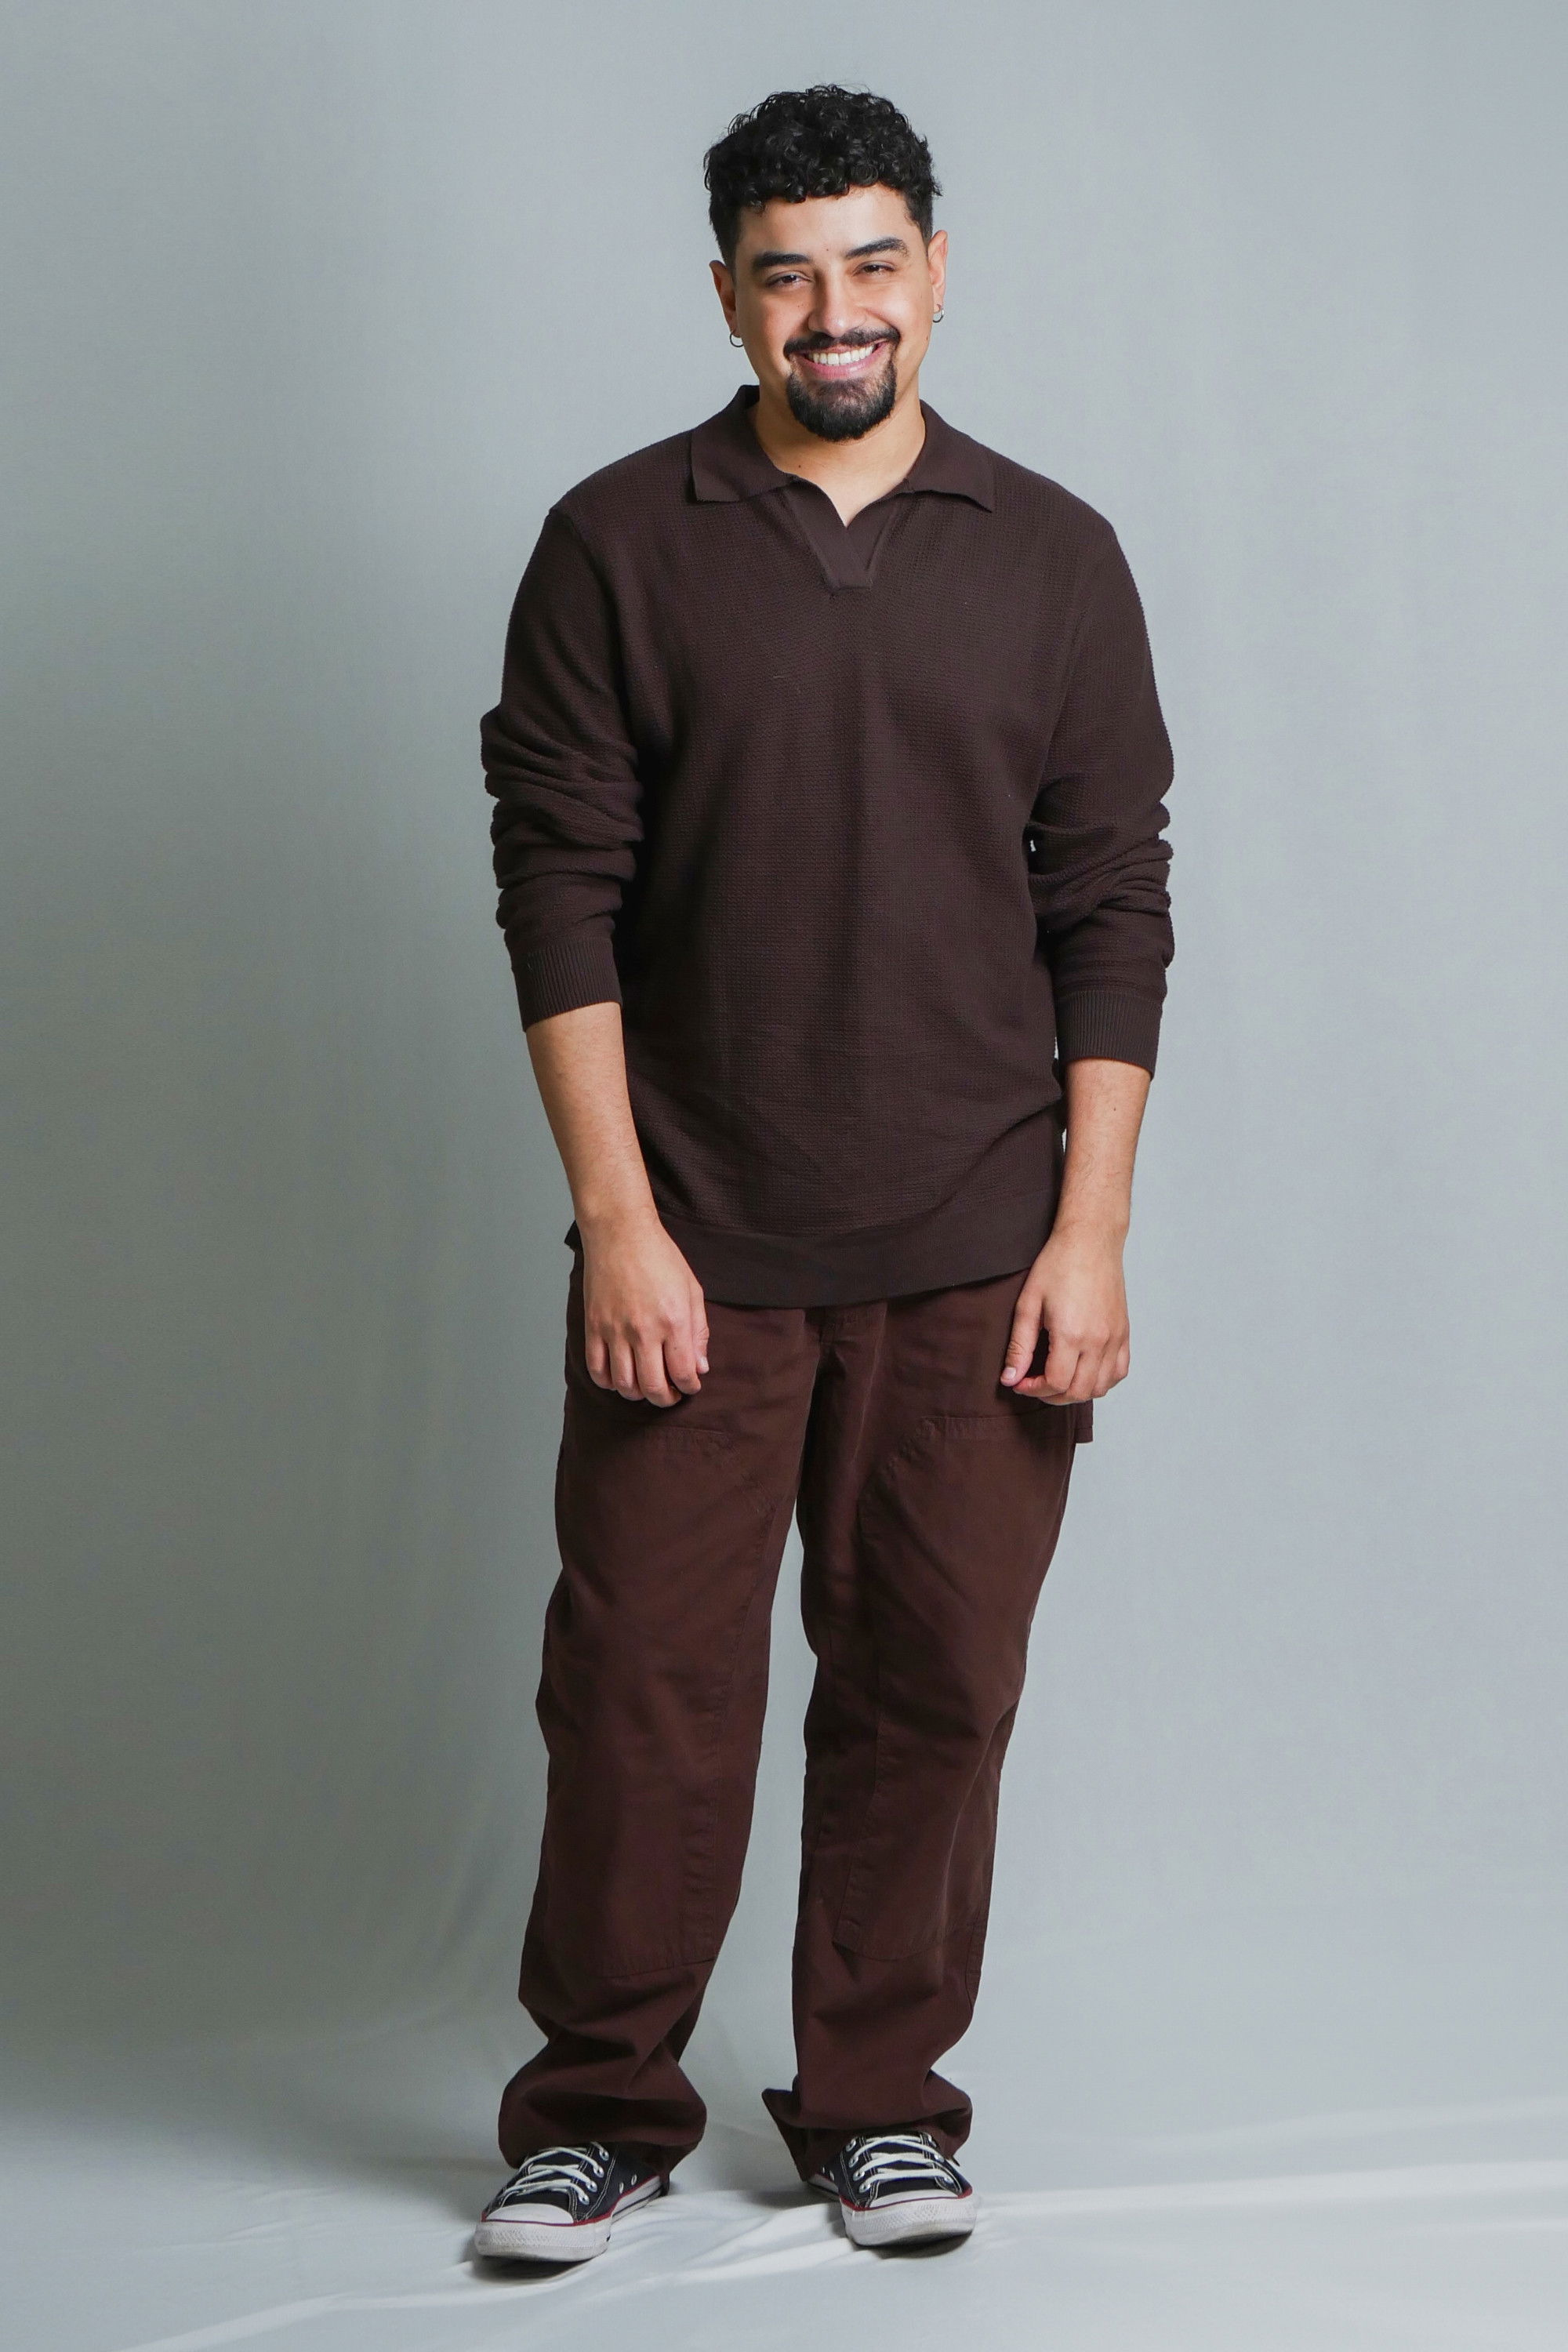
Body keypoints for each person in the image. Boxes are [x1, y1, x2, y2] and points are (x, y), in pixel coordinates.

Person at [471, 84, 1174, 2263]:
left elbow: (1112, 903)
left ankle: (880, 2105)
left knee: (934, 1688)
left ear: (935, 274)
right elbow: (558, 889)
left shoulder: (1053, 554)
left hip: (978, 1241)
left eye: (872, 264)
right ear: (728, 297)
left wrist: (1091, 1229)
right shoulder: (619, 541)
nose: (834, 310)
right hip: (697, 1240)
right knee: (642, 1696)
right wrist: (617, 1225)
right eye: (787, 275)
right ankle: (598, 2111)